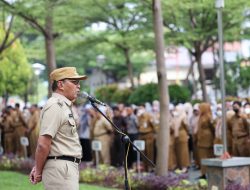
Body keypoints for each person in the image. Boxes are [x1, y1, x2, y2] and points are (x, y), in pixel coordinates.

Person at [29, 67, 87, 190]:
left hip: (64, 166)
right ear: (60, 84)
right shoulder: (55, 106)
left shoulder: (63, 106)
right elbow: (43, 144)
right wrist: (38, 171)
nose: (79, 86)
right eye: (74, 82)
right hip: (60, 168)